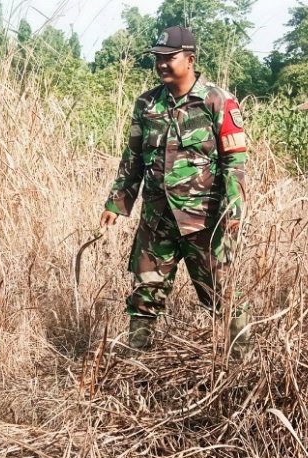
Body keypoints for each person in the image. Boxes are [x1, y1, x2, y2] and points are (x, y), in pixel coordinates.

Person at [99, 27, 249, 354]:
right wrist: (117, 201)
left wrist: (233, 206)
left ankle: (242, 364)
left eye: (170, 57)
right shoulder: (147, 104)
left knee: (222, 296)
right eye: (158, 58)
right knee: (144, 293)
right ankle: (136, 362)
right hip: (157, 221)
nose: (162, 64)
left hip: (205, 223)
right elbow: (134, 157)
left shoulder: (218, 100)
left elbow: (234, 159)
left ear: (190, 59)